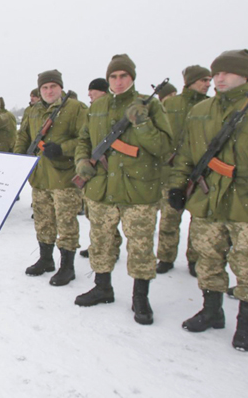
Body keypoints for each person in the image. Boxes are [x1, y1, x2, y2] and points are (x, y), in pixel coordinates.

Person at [169, 49, 248, 352]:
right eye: (216, 73)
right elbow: (186, 154)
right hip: (207, 200)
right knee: (208, 258)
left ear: (245, 75)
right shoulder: (201, 110)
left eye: (226, 72)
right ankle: (212, 311)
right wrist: (177, 186)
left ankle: (246, 325)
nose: (219, 78)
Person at [74, 54, 172, 325]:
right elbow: (84, 138)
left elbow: (164, 147)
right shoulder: (98, 106)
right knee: (101, 241)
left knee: (140, 246)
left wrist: (142, 124)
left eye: (123, 76)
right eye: (113, 77)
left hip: (138, 190)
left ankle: (140, 297)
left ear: (132, 78)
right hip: (102, 189)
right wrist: (82, 160)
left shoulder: (148, 107)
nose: (118, 82)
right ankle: (102, 287)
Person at [14, 70, 87, 285]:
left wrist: (63, 148)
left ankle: (67, 266)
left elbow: (85, 139)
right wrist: (19, 159)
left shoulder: (75, 108)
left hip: (63, 176)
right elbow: (23, 136)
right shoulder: (33, 111)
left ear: (61, 87)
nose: (48, 91)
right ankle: (46, 259)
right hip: (40, 176)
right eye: (44, 88)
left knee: (66, 222)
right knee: (43, 220)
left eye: (53, 86)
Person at [155, 65, 211, 275]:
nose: (207, 84)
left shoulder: (210, 106)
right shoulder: (171, 104)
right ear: (191, 81)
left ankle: (194, 260)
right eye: (203, 80)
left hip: (202, 174)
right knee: (169, 217)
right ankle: (165, 257)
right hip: (172, 171)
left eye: (209, 80)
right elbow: (159, 134)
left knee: (198, 221)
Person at [80, 77, 117, 259]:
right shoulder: (92, 112)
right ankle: (98, 244)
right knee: (95, 216)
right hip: (94, 173)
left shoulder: (113, 110)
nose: (89, 95)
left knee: (108, 217)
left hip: (112, 175)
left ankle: (111, 247)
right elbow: (83, 140)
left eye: (92, 92)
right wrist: (83, 161)